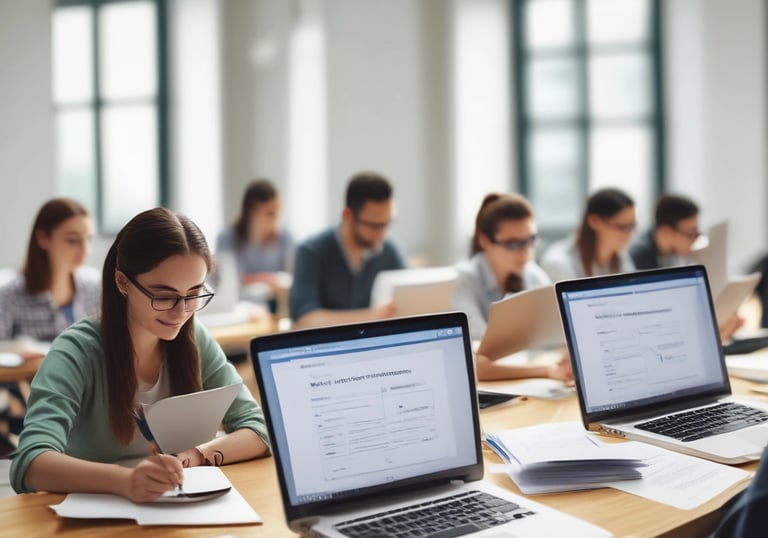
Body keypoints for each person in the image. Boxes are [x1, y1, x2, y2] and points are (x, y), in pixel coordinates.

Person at [10, 207, 270, 503]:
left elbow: (258, 429)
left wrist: (196, 455)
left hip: (174, 514)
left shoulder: (194, 337)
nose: (181, 311)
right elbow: (29, 464)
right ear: (122, 283)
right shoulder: (76, 351)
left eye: (194, 293)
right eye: (163, 296)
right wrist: (125, 481)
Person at [0, 198, 100, 442]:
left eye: (88, 239)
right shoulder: (11, 295)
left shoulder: (93, 286)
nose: (84, 250)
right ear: (43, 238)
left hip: (83, 389)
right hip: (30, 395)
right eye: (72, 240)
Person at [451, 193, 571, 382]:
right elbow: (475, 362)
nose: (525, 252)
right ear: (485, 241)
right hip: (497, 389)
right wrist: (545, 370)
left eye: (530, 241)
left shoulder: (534, 275)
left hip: (530, 383)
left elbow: (558, 338)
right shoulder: (465, 278)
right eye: (513, 244)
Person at [289, 172, 406, 328]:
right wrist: (373, 316)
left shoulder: (391, 251)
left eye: (387, 224)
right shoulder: (311, 251)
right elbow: (306, 319)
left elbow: (408, 301)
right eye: (374, 226)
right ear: (348, 215)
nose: (381, 235)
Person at [216, 178, 293, 297]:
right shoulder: (227, 238)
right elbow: (229, 281)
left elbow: (291, 276)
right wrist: (269, 279)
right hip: (239, 304)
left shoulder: (285, 237)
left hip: (275, 303)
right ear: (253, 211)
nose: (276, 218)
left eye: (278, 211)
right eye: (270, 213)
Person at [541, 187, 637, 282]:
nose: (629, 235)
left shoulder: (620, 256)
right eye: (622, 227)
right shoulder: (558, 262)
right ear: (594, 221)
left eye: (632, 226)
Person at [629, 194, 700, 270]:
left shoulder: (678, 254)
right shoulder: (637, 259)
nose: (695, 240)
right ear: (667, 231)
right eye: (690, 234)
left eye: (697, 234)